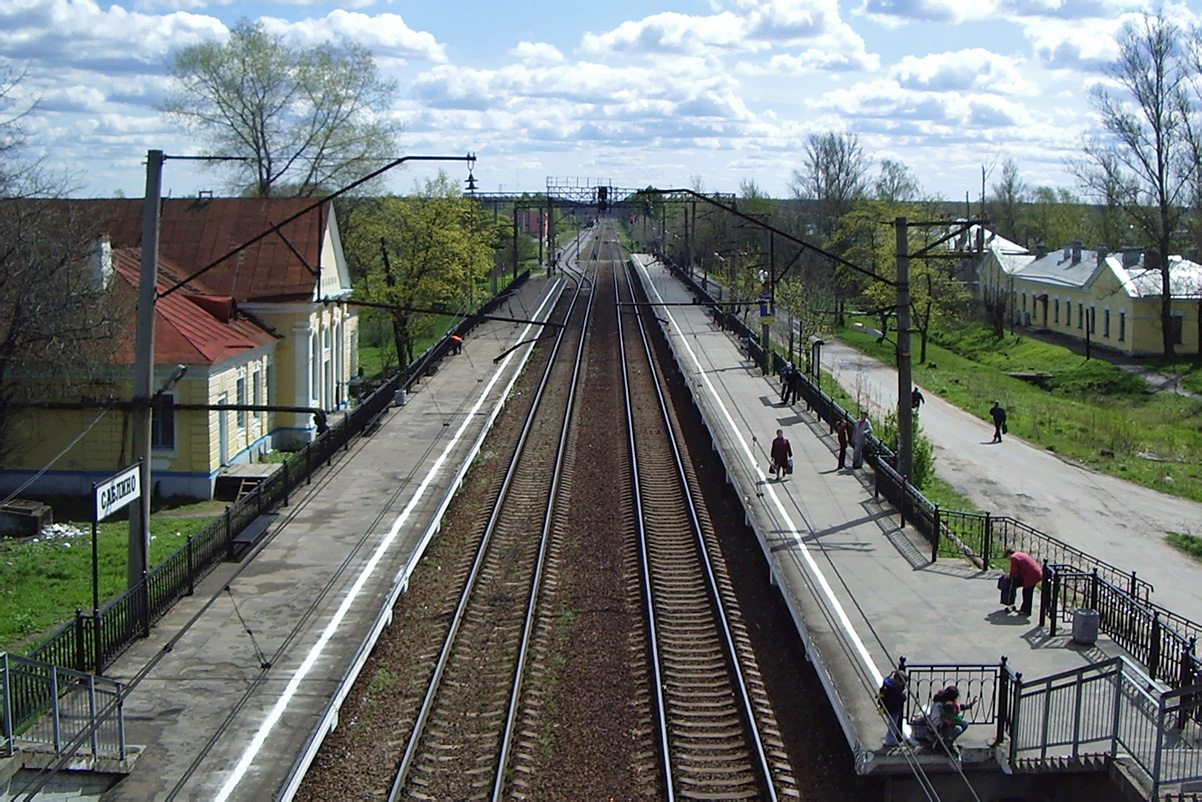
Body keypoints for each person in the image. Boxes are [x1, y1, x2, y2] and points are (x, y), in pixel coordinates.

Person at [879, 669, 916, 747]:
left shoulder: (887, 683)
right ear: (898, 680)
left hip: (887, 708)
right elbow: (901, 698)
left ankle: (891, 740)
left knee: (892, 725)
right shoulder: (895, 689)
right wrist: (903, 695)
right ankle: (890, 742)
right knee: (893, 726)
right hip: (894, 710)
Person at [1005, 547, 1044, 616]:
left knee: (1027, 593)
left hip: (1031, 575)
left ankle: (1026, 611)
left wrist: (1009, 575)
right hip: (1037, 572)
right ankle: (1025, 610)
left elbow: (1014, 571)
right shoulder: (1020, 554)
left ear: (1008, 554)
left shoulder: (1013, 557)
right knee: (1028, 592)